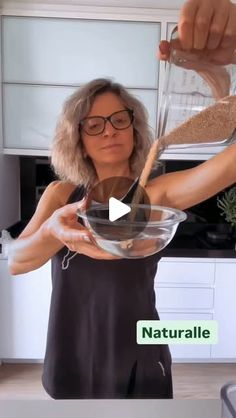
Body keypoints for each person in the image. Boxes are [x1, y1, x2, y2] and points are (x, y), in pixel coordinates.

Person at [8, 0, 236, 399]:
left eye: (119, 119)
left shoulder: (156, 194)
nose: (109, 131)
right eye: (93, 124)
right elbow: (17, 260)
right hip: (70, 348)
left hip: (138, 350)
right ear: (78, 138)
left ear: (134, 126)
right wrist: (53, 226)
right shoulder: (61, 193)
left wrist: (218, 73)